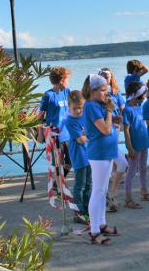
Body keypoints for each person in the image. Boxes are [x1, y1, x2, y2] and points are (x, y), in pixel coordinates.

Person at [82, 74, 120, 245]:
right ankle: (94, 230)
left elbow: (109, 124)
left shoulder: (99, 105)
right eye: (103, 90)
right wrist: (110, 111)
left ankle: (101, 223)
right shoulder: (90, 107)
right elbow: (105, 129)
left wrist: (111, 111)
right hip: (99, 154)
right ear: (93, 90)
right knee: (97, 191)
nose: (106, 93)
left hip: (107, 152)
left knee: (102, 190)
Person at [122, 81, 149, 208]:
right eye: (144, 93)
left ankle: (144, 192)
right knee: (131, 172)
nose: (145, 95)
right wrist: (129, 147)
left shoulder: (139, 106)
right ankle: (128, 198)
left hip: (144, 143)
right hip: (135, 146)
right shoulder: (127, 109)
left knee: (143, 169)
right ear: (137, 94)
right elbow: (126, 130)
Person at [98, 68, 128, 212]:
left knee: (122, 163)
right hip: (102, 141)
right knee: (102, 178)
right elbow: (101, 124)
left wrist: (118, 118)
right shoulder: (94, 103)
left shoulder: (115, 93)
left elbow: (123, 107)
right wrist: (110, 115)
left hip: (112, 134)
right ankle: (106, 200)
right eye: (103, 76)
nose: (106, 78)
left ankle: (111, 196)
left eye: (107, 76)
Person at [63, 90, 91, 223]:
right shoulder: (70, 120)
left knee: (89, 183)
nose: (78, 110)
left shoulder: (84, 115)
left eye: (80, 107)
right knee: (80, 184)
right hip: (79, 155)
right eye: (75, 108)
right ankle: (78, 212)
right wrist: (92, 136)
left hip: (90, 153)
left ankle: (87, 208)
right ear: (69, 106)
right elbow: (80, 139)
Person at [39, 66, 72, 179]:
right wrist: (40, 133)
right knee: (58, 164)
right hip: (54, 134)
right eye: (67, 79)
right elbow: (40, 116)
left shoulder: (67, 92)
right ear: (61, 80)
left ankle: (56, 184)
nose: (68, 82)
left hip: (68, 133)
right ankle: (59, 187)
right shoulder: (48, 95)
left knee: (70, 161)